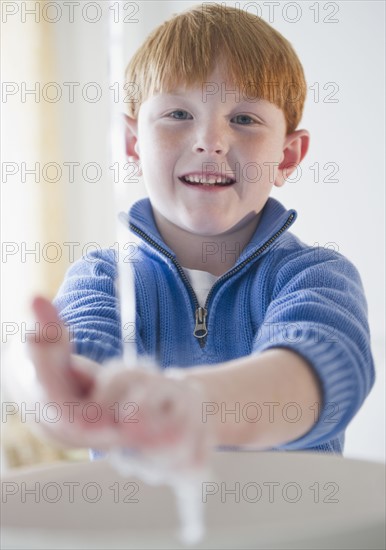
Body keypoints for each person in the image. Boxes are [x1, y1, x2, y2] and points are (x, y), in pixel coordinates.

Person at [28, 4, 374, 459]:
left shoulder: (317, 275)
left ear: (287, 157)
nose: (210, 139)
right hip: (143, 530)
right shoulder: (101, 279)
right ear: (132, 143)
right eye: (177, 113)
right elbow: (75, 379)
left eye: (244, 119)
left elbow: (315, 381)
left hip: (292, 530)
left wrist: (175, 406)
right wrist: (53, 389)